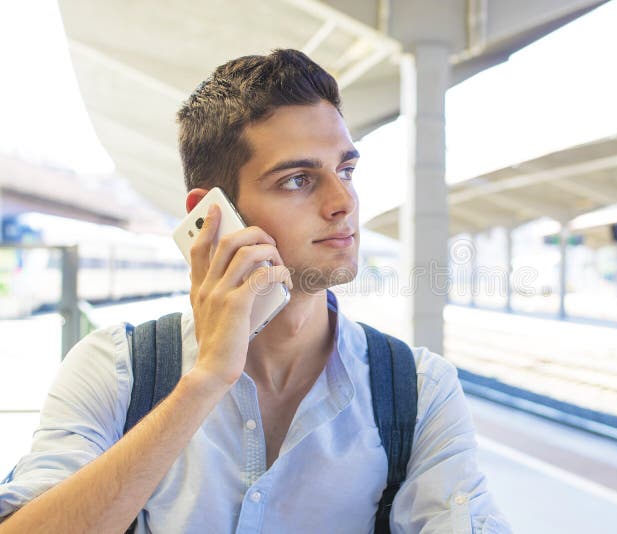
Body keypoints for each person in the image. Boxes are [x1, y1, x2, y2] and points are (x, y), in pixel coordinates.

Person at [0, 50, 510, 533]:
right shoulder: (116, 371)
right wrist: (203, 382)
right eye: (297, 180)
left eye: (346, 170)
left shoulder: (419, 390)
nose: (343, 202)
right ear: (212, 215)